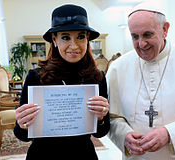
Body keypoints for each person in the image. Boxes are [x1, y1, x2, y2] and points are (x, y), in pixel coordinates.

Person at [106, 1, 175, 160]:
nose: (141, 44)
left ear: (165, 29)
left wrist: (170, 134)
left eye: (147, 34)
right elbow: (112, 118)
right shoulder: (118, 68)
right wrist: (124, 135)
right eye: (134, 36)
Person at [14, 4, 110, 160]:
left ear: (87, 39)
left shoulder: (97, 77)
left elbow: (101, 132)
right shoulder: (36, 77)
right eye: (65, 37)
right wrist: (22, 124)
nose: (74, 45)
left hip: (83, 155)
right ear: (54, 40)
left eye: (80, 36)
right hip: (43, 156)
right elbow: (22, 135)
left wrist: (100, 118)